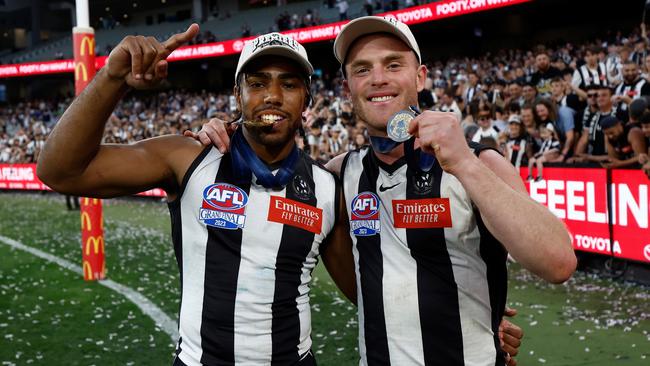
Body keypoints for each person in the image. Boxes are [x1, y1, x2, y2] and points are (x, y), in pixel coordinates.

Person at [195, 16, 574, 366]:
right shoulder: (340, 175)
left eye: (393, 65)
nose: (378, 78)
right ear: (347, 87)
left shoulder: (479, 163)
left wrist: (465, 164)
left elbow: (558, 262)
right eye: (363, 69)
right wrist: (228, 132)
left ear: (420, 76)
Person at [37, 26, 358, 365]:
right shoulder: (189, 157)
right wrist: (112, 77)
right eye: (258, 83)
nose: (273, 96)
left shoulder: (326, 188)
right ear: (238, 94)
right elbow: (60, 171)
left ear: (307, 99)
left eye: (289, 84)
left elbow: (367, 292)